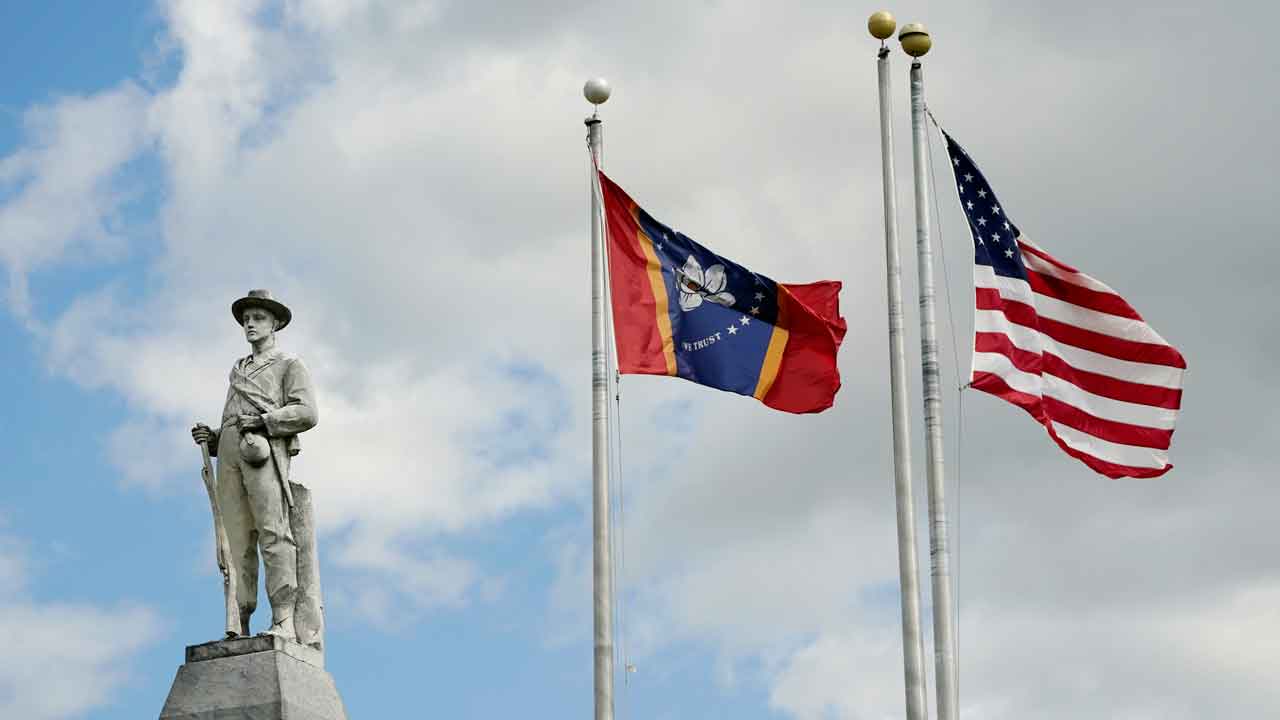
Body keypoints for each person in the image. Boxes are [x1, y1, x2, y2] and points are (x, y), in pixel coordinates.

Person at [191, 289, 321, 645]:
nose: (250, 324)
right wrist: (215, 438)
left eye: (258, 318)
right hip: (233, 452)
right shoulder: (238, 369)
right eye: (247, 318)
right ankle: (239, 619)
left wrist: (266, 420)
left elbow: (307, 412)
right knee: (234, 541)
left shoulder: (288, 364)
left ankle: (283, 618)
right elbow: (234, 417)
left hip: (263, 452)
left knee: (272, 532)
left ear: (275, 323)